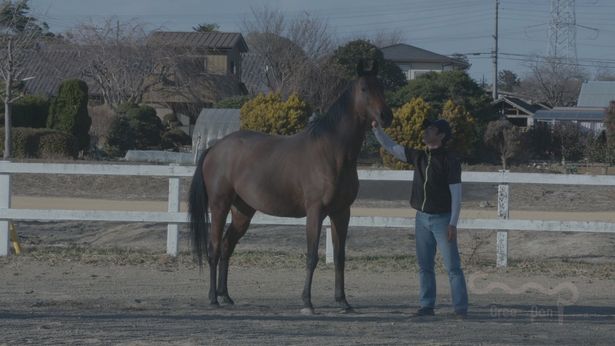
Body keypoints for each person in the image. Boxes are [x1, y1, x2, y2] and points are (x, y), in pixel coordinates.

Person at [371, 118, 468, 318]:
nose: (425, 132)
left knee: (453, 267)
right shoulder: (418, 156)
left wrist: (453, 223)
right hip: (421, 219)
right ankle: (427, 306)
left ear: (441, 135)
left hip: (443, 220)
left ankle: (460, 308)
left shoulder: (450, 160)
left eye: (430, 129)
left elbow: (456, 195)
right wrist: (377, 130)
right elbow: (391, 147)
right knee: (425, 266)